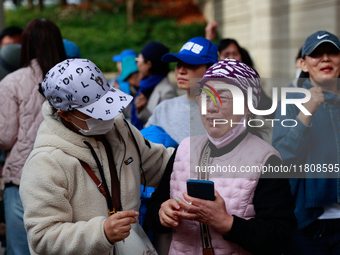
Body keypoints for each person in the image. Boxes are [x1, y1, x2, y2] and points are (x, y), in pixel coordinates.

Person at [19, 58, 174, 255]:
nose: (107, 116)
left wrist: (197, 155)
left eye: (107, 105)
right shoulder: (45, 162)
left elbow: (159, 164)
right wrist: (102, 233)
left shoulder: (121, 129)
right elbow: (43, 236)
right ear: (65, 114)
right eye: (95, 111)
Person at [146, 59, 296, 255]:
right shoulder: (184, 149)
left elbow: (280, 236)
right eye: (206, 97)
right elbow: (154, 210)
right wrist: (161, 214)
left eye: (222, 98)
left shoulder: (267, 159)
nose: (210, 108)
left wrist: (226, 222)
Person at [0, 18, 67, 255]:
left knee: (20, 250)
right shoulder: (72, 80)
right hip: (67, 175)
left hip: (21, 176)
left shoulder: (12, 82)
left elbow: (6, 137)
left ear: (25, 44)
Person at [272, 30, 340, 255]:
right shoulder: (291, 101)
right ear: (303, 64)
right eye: (316, 54)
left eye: (332, 52)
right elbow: (283, 159)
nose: (326, 58)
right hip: (309, 224)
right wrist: (306, 113)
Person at [144, 37, 219, 144]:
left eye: (190, 64)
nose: (181, 71)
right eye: (178, 64)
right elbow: (143, 149)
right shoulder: (163, 109)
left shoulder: (227, 113)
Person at [133, 41, 177, 129]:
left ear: (149, 64)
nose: (136, 61)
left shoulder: (167, 91)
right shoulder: (145, 86)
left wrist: (142, 110)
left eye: (139, 57)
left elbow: (162, 126)